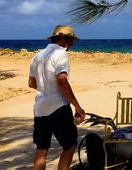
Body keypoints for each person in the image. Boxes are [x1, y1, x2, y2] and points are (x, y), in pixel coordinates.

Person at [28, 25, 86, 170]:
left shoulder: (37, 56)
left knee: (41, 149)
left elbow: (31, 83)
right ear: (62, 38)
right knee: (70, 145)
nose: (71, 44)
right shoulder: (61, 54)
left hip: (40, 108)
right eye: (71, 39)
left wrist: (46, 89)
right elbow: (61, 80)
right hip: (58, 107)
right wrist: (77, 106)